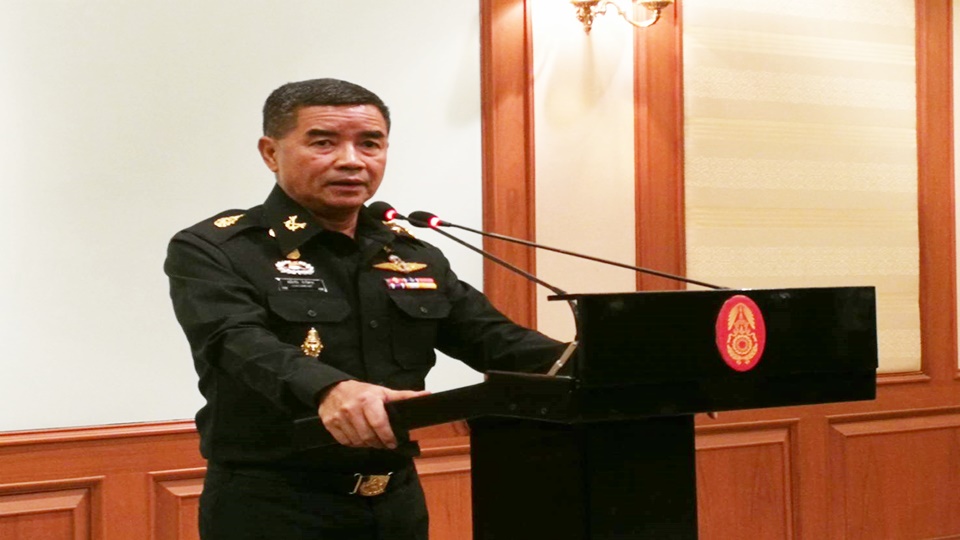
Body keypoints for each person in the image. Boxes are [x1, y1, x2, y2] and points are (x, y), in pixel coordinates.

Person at [164, 78, 566, 540]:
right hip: (275, 505)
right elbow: (235, 340)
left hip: (396, 503)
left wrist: (596, 360)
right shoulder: (217, 248)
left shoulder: (411, 253)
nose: (352, 160)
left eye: (370, 144)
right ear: (271, 153)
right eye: (324, 143)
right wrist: (329, 389)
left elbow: (496, 340)